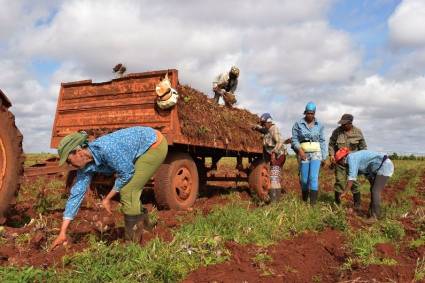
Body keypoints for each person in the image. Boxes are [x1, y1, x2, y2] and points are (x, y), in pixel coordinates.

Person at [50, 126, 168, 249]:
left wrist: (107, 198)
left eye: (69, 160)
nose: (70, 165)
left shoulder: (106, 148)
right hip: (139, 149)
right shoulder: (84, 167)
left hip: (154, 145)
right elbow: (76, 195)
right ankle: (146, 229)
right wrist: (62, 232)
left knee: (128, 190)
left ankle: (133, 245)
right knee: (131, 190)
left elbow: (126, 173)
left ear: (78, 151)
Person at [334, 148, 394, 222]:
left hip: (384, 166)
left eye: (339, 163)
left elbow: (351, 179)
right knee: (373, 189)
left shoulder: (351, 158)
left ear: (342, 159)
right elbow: (365, 170)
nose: (341, 165)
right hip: (378, 168)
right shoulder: (353, 158)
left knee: (375, 191)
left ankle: (375, 216)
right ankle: (371, 213)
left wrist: (344, 192)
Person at [291, 102, 327, 205]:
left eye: (312, 113)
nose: (310, 115)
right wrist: (300, 151)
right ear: (305, 112)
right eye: (308, 113)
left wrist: (324, 157)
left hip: (316, 153)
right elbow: (294, 140)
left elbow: (322, 141)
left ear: (314, 113)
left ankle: (313, 205)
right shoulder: (298, 124)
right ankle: (304, 201)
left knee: (313, 177)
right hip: (304, 153)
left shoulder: (319, 125)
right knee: (304, 180)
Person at [328, 114, 367, 209]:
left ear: (350, 123)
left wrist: (362, 163)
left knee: (354, 183)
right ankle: (337, 205)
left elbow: (363, 148)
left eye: (344, 124)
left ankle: (357, 205)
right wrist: (332, 155)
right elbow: (331, 144)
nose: (342, 126)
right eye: (342, 124)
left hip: (353, 163)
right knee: (339, 182)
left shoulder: (358, 132)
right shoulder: (337, 132)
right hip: (340, 162)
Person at [253, 113, 288, 201]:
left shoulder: (273, 129)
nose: (263, 125)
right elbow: (263, 130)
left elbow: (280, 141)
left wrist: (274, 153)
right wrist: (256, 127)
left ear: (269, 122)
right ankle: (275, 200)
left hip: (278, 155)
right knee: (274, 177)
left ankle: (275, 201)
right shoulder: (268, 130)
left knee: (274, 178)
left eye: (264, 123)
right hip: (275, 156)